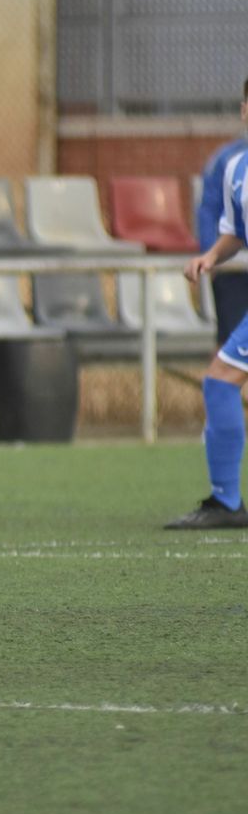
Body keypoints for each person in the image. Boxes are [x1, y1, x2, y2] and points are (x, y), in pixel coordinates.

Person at [174, 134, 248, 530]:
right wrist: (211, 255)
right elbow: (236, 231)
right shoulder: (235, 168)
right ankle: (226, 502)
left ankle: (226, 502)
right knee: (222, 381)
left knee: (221, 379)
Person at [196, 79, 248, 345]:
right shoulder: (225, 160)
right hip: (234, 271)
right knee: (233, 351)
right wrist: (211, 256)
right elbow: (208, 210)